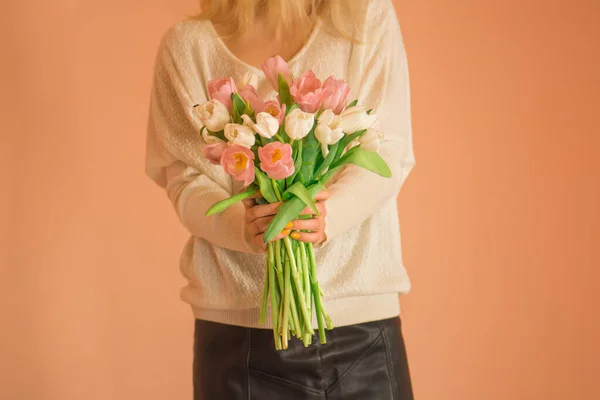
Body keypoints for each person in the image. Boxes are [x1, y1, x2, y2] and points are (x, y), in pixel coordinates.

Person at [144, 0, 416, 398]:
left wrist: (328, 215)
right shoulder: (188, 46)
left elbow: (387, 148)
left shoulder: (366, 18)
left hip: (363, 333)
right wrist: (242, 227)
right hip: (239, 337)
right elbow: (183, 174)